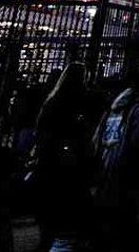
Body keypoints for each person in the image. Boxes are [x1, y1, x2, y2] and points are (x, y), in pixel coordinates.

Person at [90, 66, 139, 251]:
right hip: (130, 169)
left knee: (109, 216)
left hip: (108, 164)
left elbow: (97, 138)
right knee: (128, 221)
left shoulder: (115, 107)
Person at [33, 62, 93, 251]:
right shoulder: (75, 103)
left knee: (51, 214)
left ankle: (48, 240)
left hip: (50, 163)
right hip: (67, 163)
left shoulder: (52, 101)